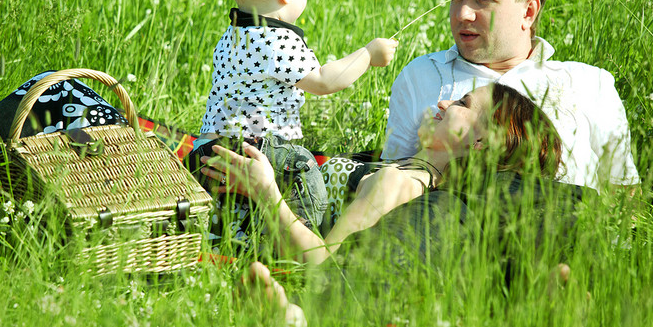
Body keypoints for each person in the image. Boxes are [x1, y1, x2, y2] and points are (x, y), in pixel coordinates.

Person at [383, 0, 640, 192]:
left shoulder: (590, 85)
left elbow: (625, 200)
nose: (462, 15)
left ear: (528, 11)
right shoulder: (421, 76)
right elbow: (388, 182)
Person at [201, 83, 562, 266]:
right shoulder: (408, 176)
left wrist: (266, 192)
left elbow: (325, 264)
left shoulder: (399, 184)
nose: (444, 104)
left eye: (462, 104)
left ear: (482, 140)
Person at [188, 0, 397, 237]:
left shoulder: (232, 35)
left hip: (208, 147)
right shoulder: (278, 39)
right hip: (258, 147)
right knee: (302, 168)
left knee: (229, 203)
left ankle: (229, 236)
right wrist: (368, 55)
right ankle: (309, 237)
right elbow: (324, 82)